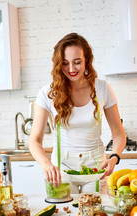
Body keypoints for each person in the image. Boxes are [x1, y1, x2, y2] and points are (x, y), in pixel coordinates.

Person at [29, 33, 126, 193]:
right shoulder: (47, 93)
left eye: (77, 62)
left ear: (86, 60)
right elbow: (34, 140)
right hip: (60, 168)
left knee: (94, 214)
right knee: (63, 214)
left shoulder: (102, 88)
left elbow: (119, 134)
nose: (71, 69)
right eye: (65, 63)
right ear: (58, 63)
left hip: (96, 167)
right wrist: (46, 165)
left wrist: (114, 157)